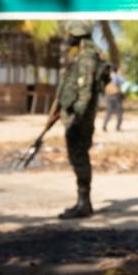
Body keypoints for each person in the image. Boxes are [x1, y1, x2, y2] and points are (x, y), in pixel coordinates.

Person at [48, 19, 105, 219]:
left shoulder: (88, 58)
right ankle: (83, 202)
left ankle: (84, 204)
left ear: (78, 35)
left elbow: (86, 92)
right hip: (77, 116)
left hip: (80, 118)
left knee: (79, 157)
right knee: (78, 157)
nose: (68, 37)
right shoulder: (84, 55)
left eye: (71, 33)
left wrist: (77, 117)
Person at [102, 66, 126, 131]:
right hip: (116, 96)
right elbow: (123, 81)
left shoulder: (106, 76)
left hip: (108, 96)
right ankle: (118, 127)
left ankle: (105, 124)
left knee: (109, 112)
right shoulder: (116, 76)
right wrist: (119, 74)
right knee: (119, 112)